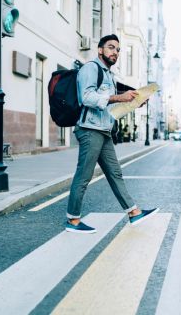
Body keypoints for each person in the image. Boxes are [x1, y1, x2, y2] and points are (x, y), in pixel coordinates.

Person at [66, 34, 159, 233]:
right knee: (84, 175)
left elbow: (112, 105)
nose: (114, 52)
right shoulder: (91, 68)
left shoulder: (108, 75)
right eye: (110, 47)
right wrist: (118, 97)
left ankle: (134, 212)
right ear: (100, 50)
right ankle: (72, 220)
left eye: (117, 49)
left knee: (115, 173)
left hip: (103, 129)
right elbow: (87, 97)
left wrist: (132, 101)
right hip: (90, 129)